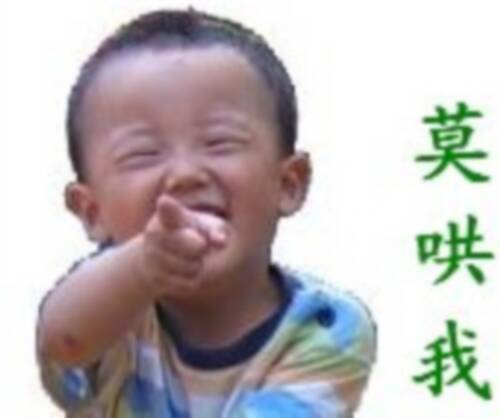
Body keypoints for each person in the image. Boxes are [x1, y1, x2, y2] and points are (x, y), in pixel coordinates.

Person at [36, 8, 377, 418]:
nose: (185, 174)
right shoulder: (107, 314)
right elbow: (63, 342)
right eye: (143, 154)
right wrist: (142, 266)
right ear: (91, 211)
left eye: (219, 142)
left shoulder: (325, 327)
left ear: (289, 183)